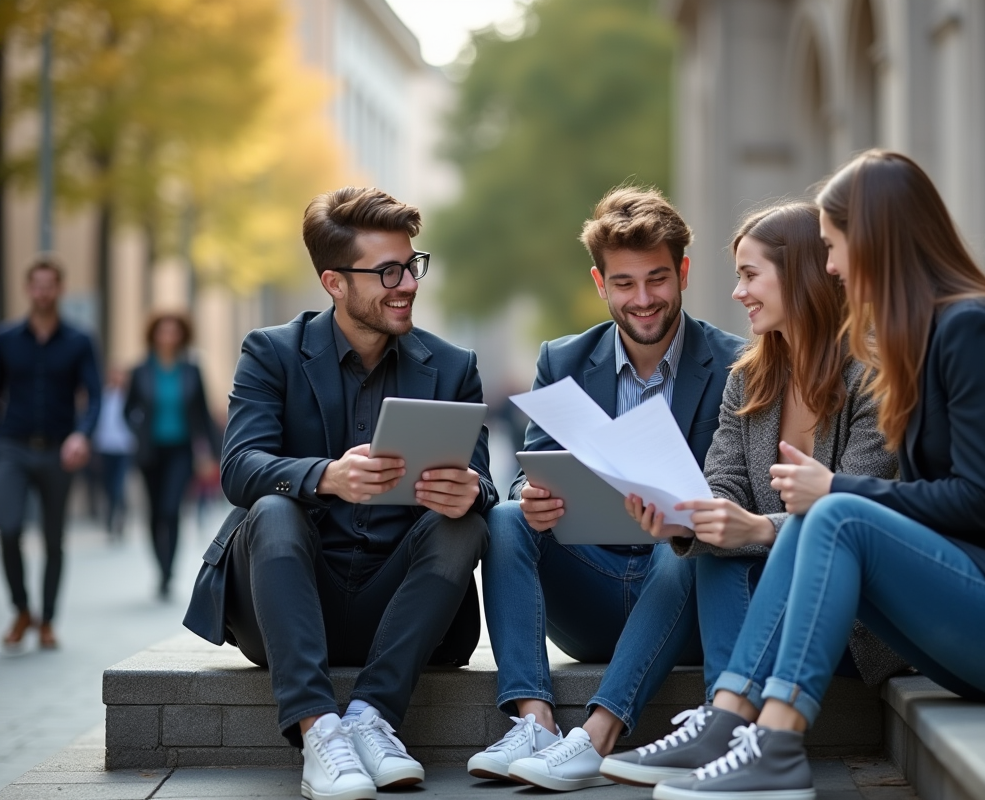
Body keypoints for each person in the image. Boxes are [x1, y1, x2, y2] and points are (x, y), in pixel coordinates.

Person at [647, 150, 985, 800]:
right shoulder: (928, 337)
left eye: (834, 246)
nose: (833, 267)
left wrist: (836, 489)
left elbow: (979, 503)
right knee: (814, 519)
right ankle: (732, 718)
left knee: (832, 512)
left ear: (874, 240)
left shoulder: (977, 328)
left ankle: (778, 744)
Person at [183, 187, 497, 800]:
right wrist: (327, 476)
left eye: (412, 265)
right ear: (334, 282)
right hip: (291, 598)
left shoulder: (453, 366)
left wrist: (470, 489)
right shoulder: (271, 352)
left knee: (467, 524)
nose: (406, 282)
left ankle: (372, 719)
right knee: (272, 506)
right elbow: (239, 468)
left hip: (401, 605)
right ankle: (318, 730)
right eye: (386, 271)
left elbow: (483, 480)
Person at [606, 202, 901, 786]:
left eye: (750, 275)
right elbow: (724, 483)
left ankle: (723, 724)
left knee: (732, 541)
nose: (738, 293)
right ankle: (727, 726)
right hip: (764, 602)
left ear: (801, 277)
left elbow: (863, 519)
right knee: (711, 540)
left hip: (850, 615)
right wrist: (687, 519)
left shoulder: (874, 375)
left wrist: (758, 529)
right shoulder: (748, 376)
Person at [467, 186, 744, 791]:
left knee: (688, 544)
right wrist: (529, 495)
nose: (642, 300)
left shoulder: (736, 365)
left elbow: (741, 498)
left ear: (684, 274)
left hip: (682, 597)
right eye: (624, 283)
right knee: (508, 518)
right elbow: (529, 468)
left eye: (657, 279)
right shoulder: (562, 359)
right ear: (600, 283)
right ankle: (534, 722)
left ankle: (597, 736)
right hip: (588, 592)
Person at [0, 256, 101, 650]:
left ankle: (48, 620)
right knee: (8, 528)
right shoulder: (7, 339)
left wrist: (82, 435)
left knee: (54, 537)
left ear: (59, 289)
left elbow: (93, 397)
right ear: (28, 290)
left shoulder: (79, 341)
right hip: (13, 446)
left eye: (50, 285)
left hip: (60, 450)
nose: (43, 292)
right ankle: (23, 609)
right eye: (36, 285)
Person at [124, 312, 222, 598]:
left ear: (182, 335)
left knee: (171, 509)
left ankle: (168, 571)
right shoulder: (140, 370)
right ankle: (160, 566)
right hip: (150, 451)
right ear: (153, 335)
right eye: (163, 331)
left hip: (181, 449)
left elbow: (203, 413)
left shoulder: (191, 369)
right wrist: (137, 427)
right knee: (154, 512)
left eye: (174, 332)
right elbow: (127, 409)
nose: (168, 337)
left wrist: (215, 453)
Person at [93, 367, 137, 539]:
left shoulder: (130, 397)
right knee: (108, 486)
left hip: (124, 448)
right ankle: (111, 514)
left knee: (118, 485)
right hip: (105, 448)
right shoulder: (103, 398)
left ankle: (118, 518)